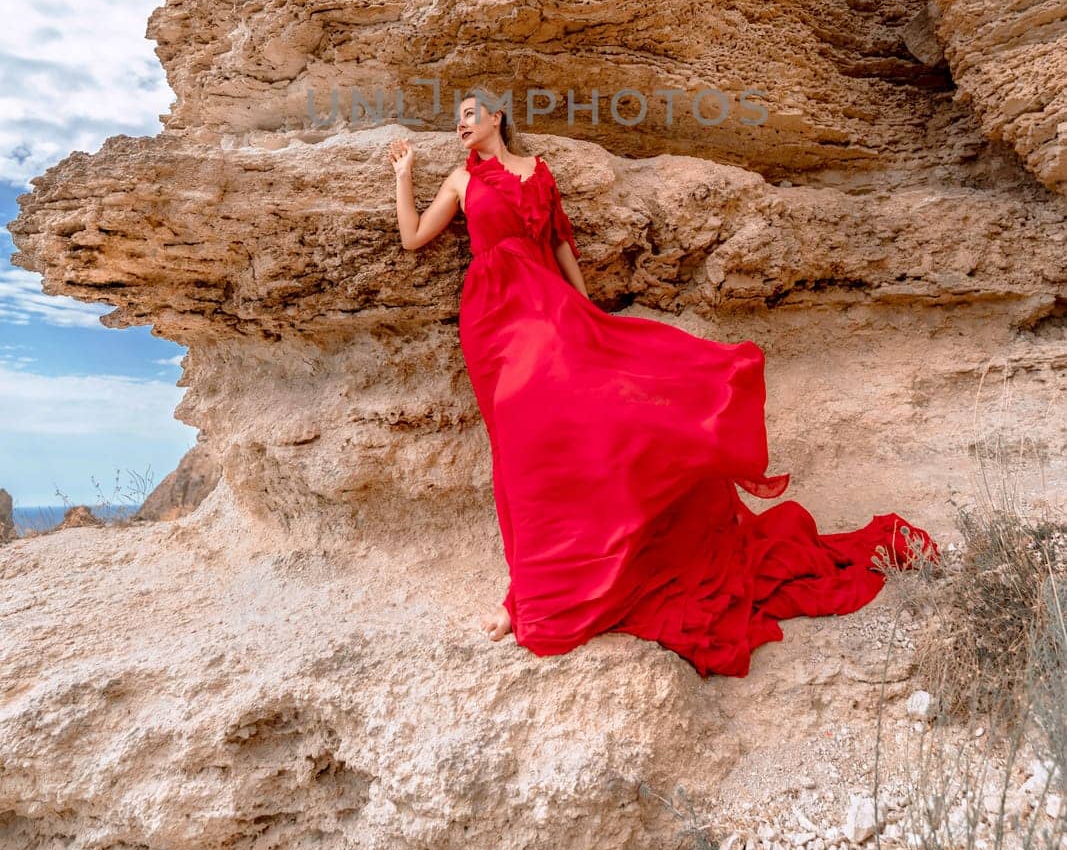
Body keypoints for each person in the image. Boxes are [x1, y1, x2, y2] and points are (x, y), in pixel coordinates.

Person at [389, 91, 939, 678]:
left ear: (498, 118)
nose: (460, 124)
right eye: (456, 119)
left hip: (551, 313)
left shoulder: (538, 173)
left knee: (602, 425)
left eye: (471, 114)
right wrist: (404, 177)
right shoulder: (460, 181)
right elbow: (414, 236)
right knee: (519, 453)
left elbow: (559, 245)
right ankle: (522, 595)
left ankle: (604, 559)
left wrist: (590, 317)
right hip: (492, 321)